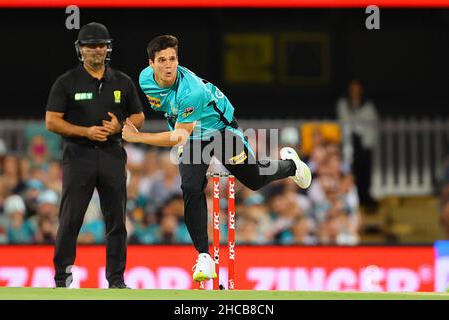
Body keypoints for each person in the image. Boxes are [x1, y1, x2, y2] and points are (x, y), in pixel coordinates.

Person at [121, 35, 311, 284]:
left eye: (173, 59)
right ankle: (203, 256)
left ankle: (291, 165)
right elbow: (171, 113)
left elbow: (178, 134)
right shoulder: (145, 79)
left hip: (221, 131)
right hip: (192, 138)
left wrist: (138, 138)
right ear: (151, 63)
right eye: (162, 60)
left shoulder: (192, 91)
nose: (169, 65)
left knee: (253, 179)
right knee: (190, 186)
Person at [45, 22, 145, 289]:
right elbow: (52, 121)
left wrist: (121, 125)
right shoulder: (67, 82)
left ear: (108, 48)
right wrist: (85, 132)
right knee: (70, 218)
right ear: (80, 50)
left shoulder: (122, 81)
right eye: (90, 46)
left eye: (100, 45)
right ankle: (62, 278)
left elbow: (139, 115)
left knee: (116, 221)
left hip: (113, 154)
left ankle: (116, 280)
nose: (96, 50)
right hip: (79, 156)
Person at [336, 79, 378, 207]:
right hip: (350, 143)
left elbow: (371, 119)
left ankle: (365, 196)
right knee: (351, 170)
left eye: (357, 88)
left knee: (365, 170)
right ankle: (352, 197)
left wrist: (356, 120)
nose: (355, 91)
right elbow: (345, 119)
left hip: (364, 143)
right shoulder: (343, 103)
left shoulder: (367, 104)